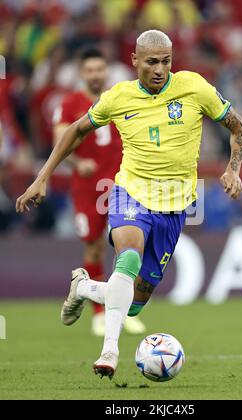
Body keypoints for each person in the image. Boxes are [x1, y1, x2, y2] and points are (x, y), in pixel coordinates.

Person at [16, 30, 242, 379]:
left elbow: (238, 127)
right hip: (131, 193)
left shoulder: (194, 87)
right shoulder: (118, 96)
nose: (160, 69)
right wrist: (42, 176)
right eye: (152, 62)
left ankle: (83, 287)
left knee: (135, 304)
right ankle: (109, 351)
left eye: (166, 61)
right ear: (134, 61)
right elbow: (76, 131)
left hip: (173, 209)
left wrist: (233, 170)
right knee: (128, 257)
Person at [53, 47, 146, 337]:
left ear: (106, 71)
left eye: (99, 69)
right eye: (90, 70)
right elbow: (61, 142)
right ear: (82, 73)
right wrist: (78, 163)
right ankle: (97, 314)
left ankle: (121, 311)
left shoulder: (119, 97)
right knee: (93, 245)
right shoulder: (69, 103)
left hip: (121, 184)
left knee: (127, 248)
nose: (95, 75)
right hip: (87, 188)